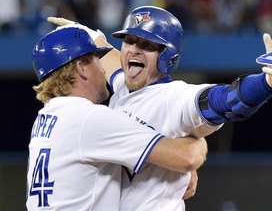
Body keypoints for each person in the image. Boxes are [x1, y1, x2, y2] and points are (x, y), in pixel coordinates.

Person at [47, 5, 272, 211]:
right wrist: (84, 34)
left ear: (167, 57)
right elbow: (111, 56)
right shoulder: (122, 85)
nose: (133, 49)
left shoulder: (176, 98)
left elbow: (225, 101)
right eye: (129, 40)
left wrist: (267, 84)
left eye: (147, 44)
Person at [26, 26, 208, 211]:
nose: (104, 69)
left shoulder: (46, 118)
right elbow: (187, 157)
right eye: (98, 59)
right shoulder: (90, 119)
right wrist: (196, 137)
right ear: (81, 68)